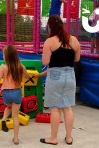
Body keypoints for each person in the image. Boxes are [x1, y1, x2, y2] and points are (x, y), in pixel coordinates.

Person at [38, 14, 80, 145]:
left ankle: (53, 138)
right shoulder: (73, 40)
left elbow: (45, 61)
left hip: (55, 76)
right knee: (67, 107)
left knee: (55, 108)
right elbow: (77, 59)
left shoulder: (49, 41)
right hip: (70, 75)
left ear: (49, 27)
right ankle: (68, 137)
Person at [0, 45, 30, 145]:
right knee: (15, 116)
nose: (3, 56)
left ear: (7, 56)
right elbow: (27, 76)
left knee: (8, 106)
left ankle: (4, 119)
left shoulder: (3, 67)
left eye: (4, 54)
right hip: (17, 92)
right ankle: (16, 138)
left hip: (6, 93)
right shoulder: (20, 66)